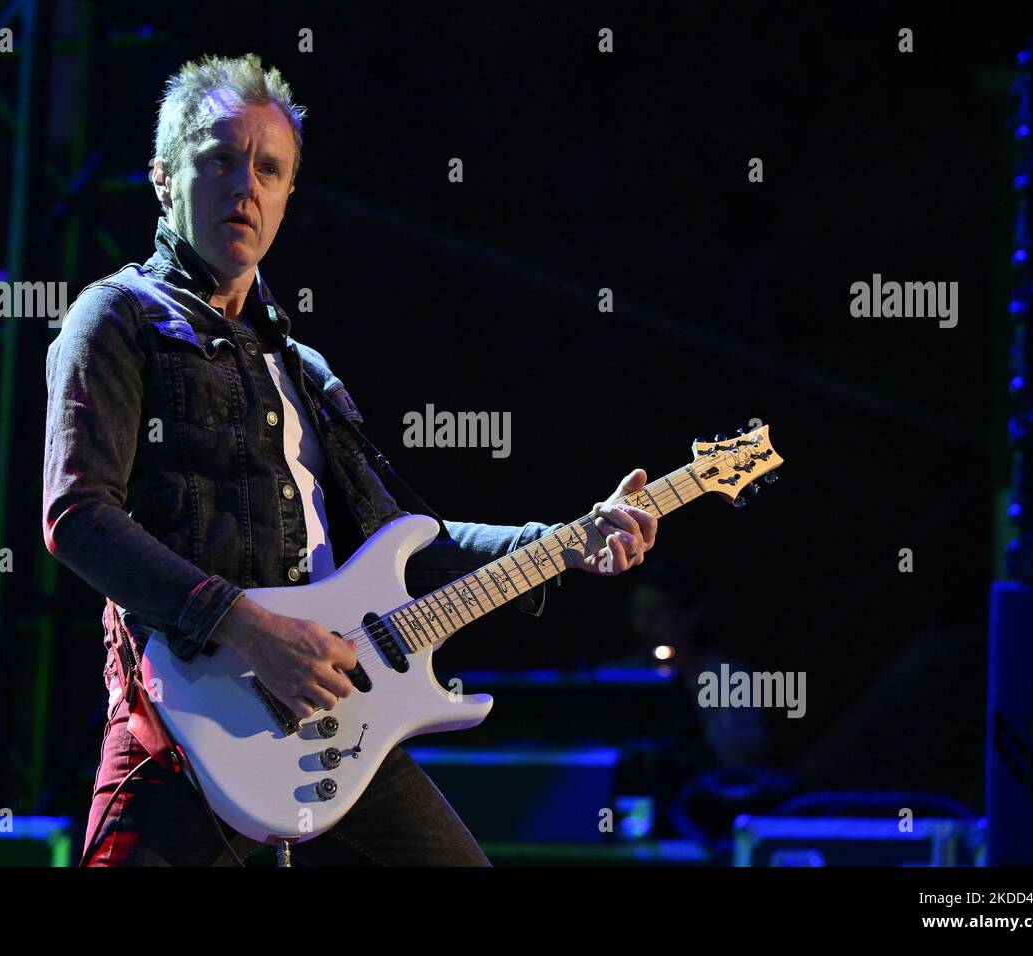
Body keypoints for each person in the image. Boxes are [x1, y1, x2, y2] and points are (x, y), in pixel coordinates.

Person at [42, 53, 658, 866]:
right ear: (163, 178)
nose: (246, 186)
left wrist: (562, 540)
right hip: (185, 730)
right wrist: (252, 630)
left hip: (339, 722)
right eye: (219, 159)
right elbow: (78, 518)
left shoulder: (307, 371)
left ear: (290, 195)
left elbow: (407, 544)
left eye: (269, 169)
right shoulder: (115, 318)